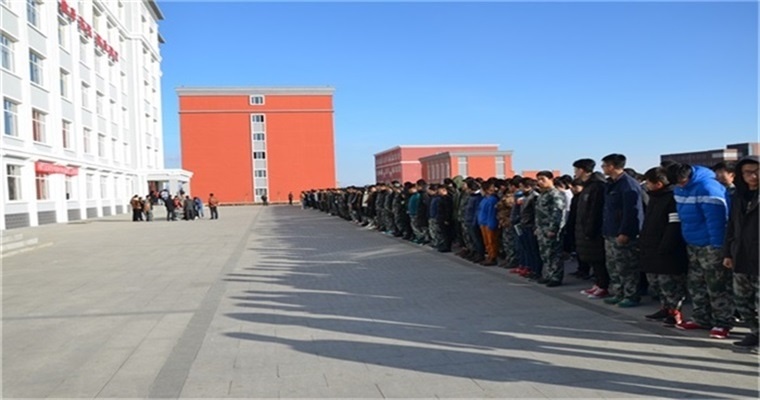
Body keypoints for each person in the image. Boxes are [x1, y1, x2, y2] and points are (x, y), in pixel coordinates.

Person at [666, 161, 732, 339]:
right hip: (692, 243)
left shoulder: (708, 188)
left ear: (688, 176)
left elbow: (717, 221)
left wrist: (717, 246)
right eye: (676, 183)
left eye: (682, 182)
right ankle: (701, 317)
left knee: (716, 284)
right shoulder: (679, 189)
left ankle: (722, 322)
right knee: (696, 283)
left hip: (711, 245)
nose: (680, 185)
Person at [639, 167, 688, 326]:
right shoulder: (654, 198)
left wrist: (666, 246)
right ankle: (665, 308)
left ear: (659, 183)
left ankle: (675, 312)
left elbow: (673, 225)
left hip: (667, 250)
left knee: (669, 284)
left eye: (649, 182)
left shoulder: (672, 198)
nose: (646, 185)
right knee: (656, 282)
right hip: (651, 247)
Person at [723, 156, 759, 348]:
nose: (753, 176)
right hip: (741, 254)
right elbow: (731, 226)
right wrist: (728, 253)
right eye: (747, 172)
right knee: (742, 300)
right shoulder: (739, 196)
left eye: (757, 171)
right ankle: (755, 332)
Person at [601, 154, 645, 308]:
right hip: (610, 231)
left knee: (627, 266)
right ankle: (618, 292)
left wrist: (625, 232)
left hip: (622, 233)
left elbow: (632, 211)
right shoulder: (611, 184)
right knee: (613, 266)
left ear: (612, 166)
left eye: (604, 165)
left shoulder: (628, 184)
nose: (603, 168)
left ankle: (631, 295)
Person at [573, 159, 610, 298]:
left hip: (594, 230)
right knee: (592, 259)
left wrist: (590, 229)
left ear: (582, 170)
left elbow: (595, 211)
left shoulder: (597, 186)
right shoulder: (588, 186)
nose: (575, 173)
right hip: (585, 229)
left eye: (576, 170)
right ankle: (598, 284)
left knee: (598, 259)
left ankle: (603, 286)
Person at [534, 171, 567, 286]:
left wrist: (553, 229)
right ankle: (548, 275)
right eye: (538, 179)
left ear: (551, 179)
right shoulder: (543, 194)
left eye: (542, 179)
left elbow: (557, 213)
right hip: (542, 229)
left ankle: (556, 277)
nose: (540, 182)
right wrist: (538, 227)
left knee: (554, 254)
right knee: (545, 254)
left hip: (551, 229)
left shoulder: (555, 194)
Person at [477, 180, 500, 266]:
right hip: (483, 222)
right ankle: (489, 256)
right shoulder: (484, 199)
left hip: (489, 223)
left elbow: (492, 213)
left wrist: (492, 224)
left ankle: (493, 257)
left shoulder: (492, 200)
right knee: (486, 242)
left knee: (492, 242)